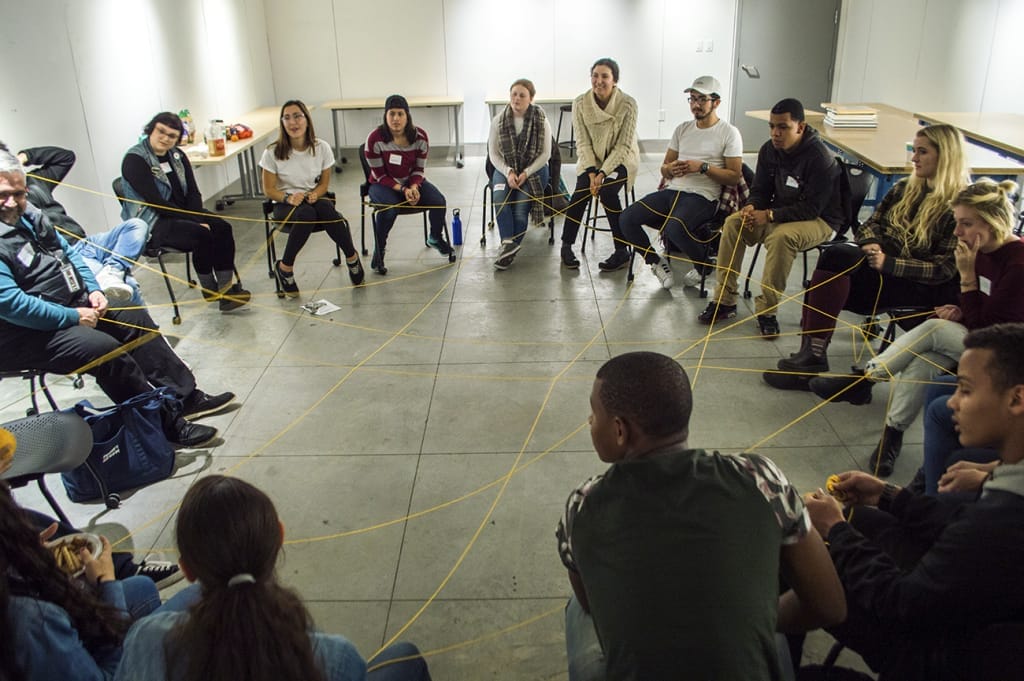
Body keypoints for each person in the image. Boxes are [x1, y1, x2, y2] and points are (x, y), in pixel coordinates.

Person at [556, 351, 845, 680]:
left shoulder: (582, 504)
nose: (590, 422)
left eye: (594, 414)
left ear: (620, 431)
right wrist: (747, 616)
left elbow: (593, 602)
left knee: (578, 609)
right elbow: (830, 606)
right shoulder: (760, 479)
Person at [799, 323, 1024, 679]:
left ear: (1016, 399)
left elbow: (900, 602)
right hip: (974, 622)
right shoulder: (1006, 490)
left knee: (805, 561)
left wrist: (837, 531)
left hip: (940, 657)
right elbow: (959, 527)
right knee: (866, 519)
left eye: (964, 390)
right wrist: (887, 495)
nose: (951, 401)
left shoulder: (1001, 520)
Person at [763, 125, 971, 468]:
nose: (914, 158)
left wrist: (891, 263)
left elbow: (942, 270)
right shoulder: (904, 188)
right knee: (836, 256)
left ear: (945, 156)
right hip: (883, 271)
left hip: (923, 289)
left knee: (843, 264)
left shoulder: (956, 207)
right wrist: (870, 244)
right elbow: (870, 222)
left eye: (922, 152)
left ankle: (860, 390)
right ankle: (812, 354)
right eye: (914, 150)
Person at [0, 148, 232, 447]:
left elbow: (68, 253)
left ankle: (184, 396)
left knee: (131, 314)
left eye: (19, 194)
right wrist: (73, 317)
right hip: (22, 333)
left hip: (70, 304)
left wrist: (93, 289)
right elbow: (12, 305)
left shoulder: (29, 216)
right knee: (105, 350)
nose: (13, 202)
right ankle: (166, 426)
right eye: (4, 194)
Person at [115, 475, 432, 681]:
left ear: (186, 569)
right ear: (279, 537)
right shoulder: (332, 657)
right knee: (405, 658)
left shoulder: (146, 641)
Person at [807, 179, 1023, 476]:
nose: (958, 232)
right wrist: (959, 309)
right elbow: (981, 311)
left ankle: (865, 380)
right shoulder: (980, 249)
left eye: (966, 224)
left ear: (993, 222)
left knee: (933, 329)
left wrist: (967, 279)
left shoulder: (1017, 264)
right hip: (979, 334)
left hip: (1007, 354)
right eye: (957, 223)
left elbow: (987, 329)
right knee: (923, 362)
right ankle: (891, 435)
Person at [698, 98, 843, 338]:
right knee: (734, 223)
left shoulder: (820, 158)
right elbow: (761, 189)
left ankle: (767, 311)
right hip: (779, 212)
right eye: (772, 126)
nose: (776, 133)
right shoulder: (769, 150)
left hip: (819, 220)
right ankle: (724, 301)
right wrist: (752, 205)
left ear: (801, 127)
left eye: (783, 127)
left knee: (781, 237)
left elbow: (812, 208)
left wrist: (770, 214)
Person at [1, 479, 160, 680]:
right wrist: (106, 583)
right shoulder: (34, 620)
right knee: (191, 602)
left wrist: (24, 563)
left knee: (142, 588)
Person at [618, 75, 743, 289]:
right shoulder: (682, 129)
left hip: (704, 196)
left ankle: (704, 265)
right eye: (692, 99)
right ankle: (656, 263)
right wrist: (671, 169)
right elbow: (665, 167)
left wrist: (703, 167)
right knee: (627, 218)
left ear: (716, 102)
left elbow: (734, 175)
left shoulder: (729, 133)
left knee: (675, 228)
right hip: (674, 190)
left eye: (702, 100)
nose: (695, 105)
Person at [120, 112, 251, 312]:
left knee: (222, 227)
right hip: (154, 221)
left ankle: (225, 290)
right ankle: (210, 290)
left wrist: (197, 216)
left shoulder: (177, 155)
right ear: (151, 129)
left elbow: (193, 192)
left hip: (182, 213)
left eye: (172, 136)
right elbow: (157, 203)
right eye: (161, 132)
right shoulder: (135, 159)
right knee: (201, 234)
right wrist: (195, 221)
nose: (165, 138)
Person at [13, 143, 145, 305]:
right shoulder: (8, 206)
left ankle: (113, 270)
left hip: (85, 242)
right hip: (68, 253)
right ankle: (149, 327)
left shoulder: (34, 181)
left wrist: (24, 157)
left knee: (137, 226)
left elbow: (66, 157)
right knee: (128, 284)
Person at [260, 99, 364, 298]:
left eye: (297, 116)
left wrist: (316, 193)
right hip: (285, 204)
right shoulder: (271, 152)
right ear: (282, 123)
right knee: (307, 213)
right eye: (287, 118)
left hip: (313, 199)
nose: (293, 122)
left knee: (326, 210)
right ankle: (285, 268)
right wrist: (288, 197)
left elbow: (324, 184)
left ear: (307, 120)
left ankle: (352, 258)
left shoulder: (322, 147)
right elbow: (269, 190)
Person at [558, 58, 639, 272]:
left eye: (605, 76)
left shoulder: (628, 104)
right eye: (595, 75)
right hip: (591, 160)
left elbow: (623, 146)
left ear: (615, 80)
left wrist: (603, 173)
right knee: (581, 191)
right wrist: (593, 172)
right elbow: (582, 142)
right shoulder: (580, 103)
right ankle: (566, 246)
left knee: (608, 192)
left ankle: (621, 250)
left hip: (621, 160)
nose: (599, 81)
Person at [363, 95, 454, 275]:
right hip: (383, 185)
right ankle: (379, 250)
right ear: (385, 115)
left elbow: (419, 169)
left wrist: (413, 187)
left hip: (410, 182)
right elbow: (379, 175)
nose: (396, 119)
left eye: (400, 114)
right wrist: (403, 190)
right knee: (389, 209)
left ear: (407, 116)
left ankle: (435, 237)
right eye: (391, 114)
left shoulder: (420, 136)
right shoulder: (374, 139)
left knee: (438, 201)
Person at [487, 78, 552, 270]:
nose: (516, 98)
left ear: (531, 99)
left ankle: (507, 250)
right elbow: (494, 154)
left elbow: (545, 154)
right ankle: (509, 244)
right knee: (499, 198)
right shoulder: (498, 120)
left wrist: (525, 173)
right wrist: (508, 172)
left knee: (521, 207)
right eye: (514, 94)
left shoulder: (541, 119)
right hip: (505, 168)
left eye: (522, 95)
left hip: (535, 169)